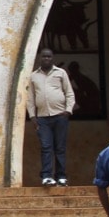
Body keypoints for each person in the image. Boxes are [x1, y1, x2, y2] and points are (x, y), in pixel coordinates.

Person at [26, 48, 75, 186]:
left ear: (53, 58)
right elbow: (30, 98)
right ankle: (47, 176)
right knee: (46, 146)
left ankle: (61, 176)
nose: (46, 59)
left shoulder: (61, 73)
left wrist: (68, 111)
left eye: (49, 57)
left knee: (60, 147)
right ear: (39, 58)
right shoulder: (34, 76)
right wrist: (33, 116)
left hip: (60, 116)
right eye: (43, 57)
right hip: (42, 118)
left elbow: (69, 93)